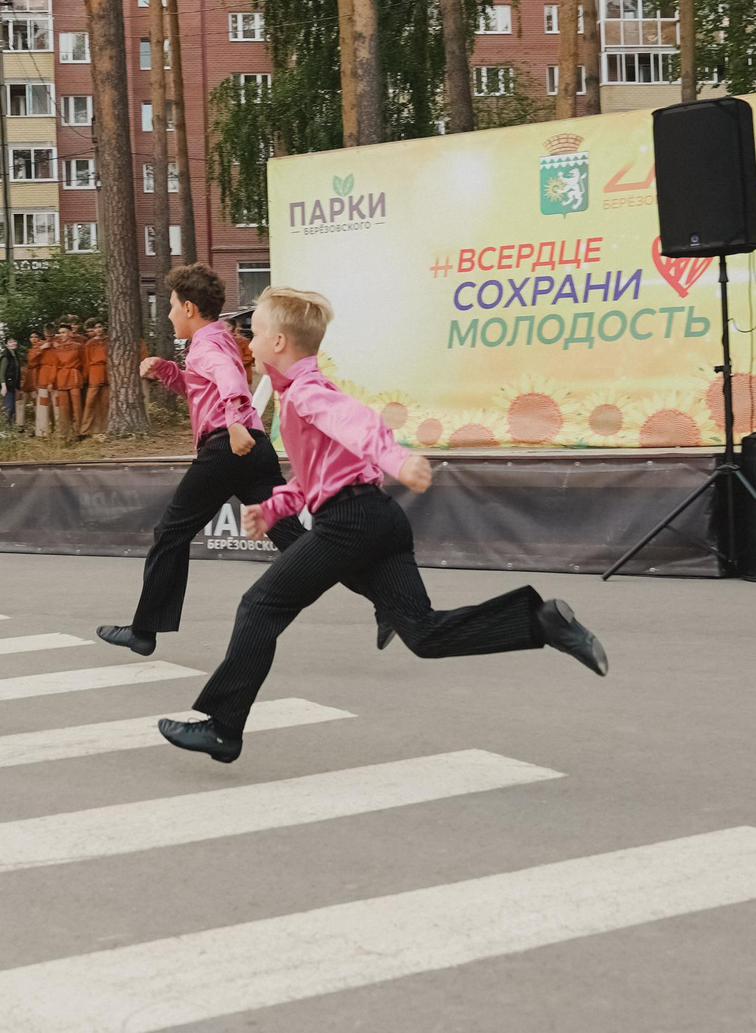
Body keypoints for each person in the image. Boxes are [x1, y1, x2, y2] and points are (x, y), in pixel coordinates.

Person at [159, 287, 608, 765]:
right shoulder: (301, 395)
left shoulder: (308, 394)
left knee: (259, 606)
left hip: (349, 523)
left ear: (279, 343)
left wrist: (396, 459)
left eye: (259, 331)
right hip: (378, 518)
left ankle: (223, 728)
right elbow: (318, 477)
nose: (249, 340)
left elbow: (360, 423)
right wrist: (273, 509)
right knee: (423, 633)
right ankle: (538, 621)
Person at [98, 264, 282, 657]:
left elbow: (232, 384)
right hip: (253, 446)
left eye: (170, 307)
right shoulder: (216, 340)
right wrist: (167, 371)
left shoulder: (208, 345)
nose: (167, 315)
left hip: (228, 447)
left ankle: (144, 631)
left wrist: (234, 425)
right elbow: (204, 389)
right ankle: (385, 599)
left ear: (188, 308)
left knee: (170, 533)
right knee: (293, 538)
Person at [81, 318, 111, 438]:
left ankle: (104, 428)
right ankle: (85, 429)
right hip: (94, 372)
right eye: (95, 328)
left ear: (103, 327)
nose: (98, 330)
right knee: (90, 401)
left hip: (107, 371)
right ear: (93, 330)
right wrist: (85, 377)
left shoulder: (109, 341)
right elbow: (86, 361)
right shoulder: (89, 344)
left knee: (105, 402)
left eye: (100, 327)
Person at [0, 334, 21, 428]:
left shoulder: (15, 355)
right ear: (6, 344)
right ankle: (5, 430)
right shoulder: (5, 357)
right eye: (10, 342)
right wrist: (3, 386)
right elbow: (1, 373)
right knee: (9, 407)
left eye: (14, 341)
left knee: (13, 408)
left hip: (13, 385)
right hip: (7, 385)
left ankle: (10, 428)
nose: (13, 344)